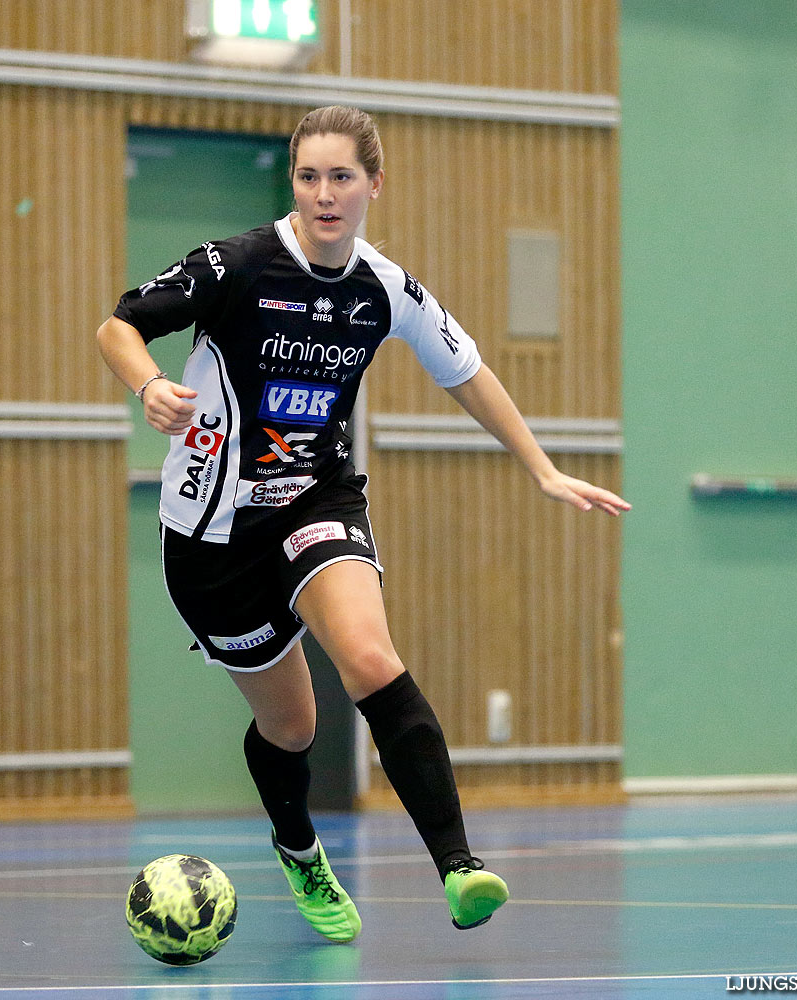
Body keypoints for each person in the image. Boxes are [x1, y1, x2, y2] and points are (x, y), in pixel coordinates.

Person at [97, 105, 629, 941]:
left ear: (374, 184)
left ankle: (458, 866)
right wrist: (147, 384)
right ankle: (299, 848)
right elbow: (119, 323)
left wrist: (543, 467)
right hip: (210, 534)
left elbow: (470, 372)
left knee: (371, 658)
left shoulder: (385, 288)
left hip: (317, 501)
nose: (324, 194)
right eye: (309, 176)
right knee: (292, 725)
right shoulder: (235, 265)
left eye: (342, 176)